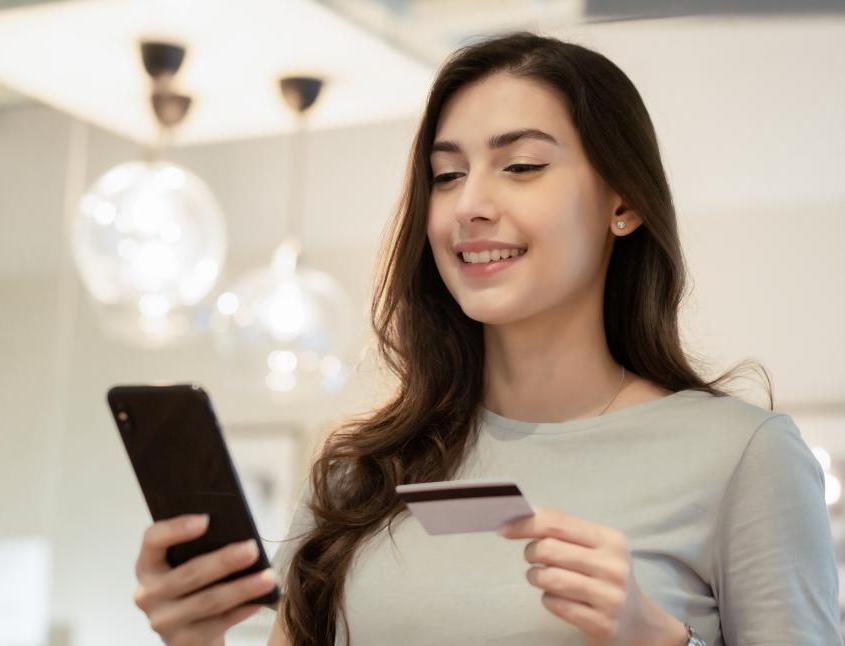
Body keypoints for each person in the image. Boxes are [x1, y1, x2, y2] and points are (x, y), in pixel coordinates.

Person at [130, 31, 841, 646]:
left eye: (522, 166)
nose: (469, 204)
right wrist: (198, 639)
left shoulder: (743, 457)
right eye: (446, 175)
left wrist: (663, 640)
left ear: (623, 201)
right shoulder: (362, 472)